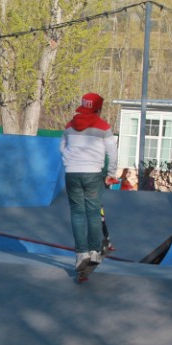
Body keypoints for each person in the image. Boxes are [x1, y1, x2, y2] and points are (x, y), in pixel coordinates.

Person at [60, 92, 119, 271]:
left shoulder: (70, 125)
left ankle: (81, 254)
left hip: (72, 173)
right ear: (98, 109)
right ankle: (94, 251)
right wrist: (110, 173)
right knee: (93, 213)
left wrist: (70, 162)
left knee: (77, 213)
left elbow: (61, 147)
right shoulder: (103, 126)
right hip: (93, 174)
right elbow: (113, 153)